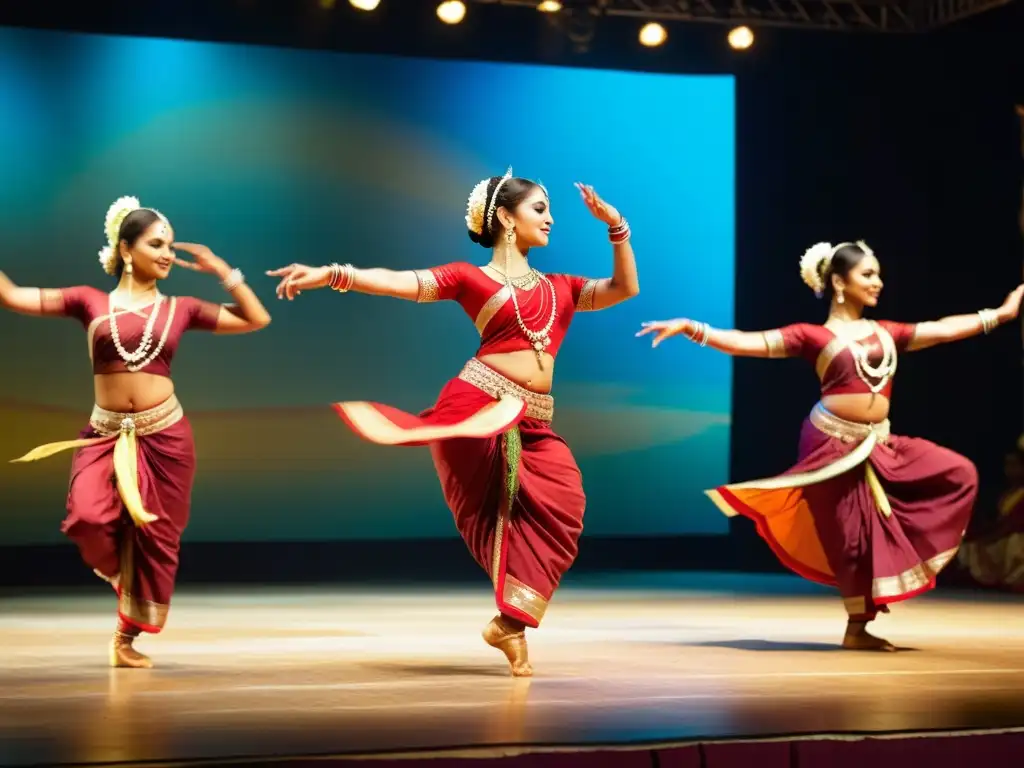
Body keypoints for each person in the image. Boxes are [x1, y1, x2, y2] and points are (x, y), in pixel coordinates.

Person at [266, 169, 639, 675]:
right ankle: (514, 627)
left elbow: (624, 288)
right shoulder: (471, 278)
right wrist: (334, 273)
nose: (551, 219)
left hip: (533, 420)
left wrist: (617, 227)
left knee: (565, 499)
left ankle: (508, 624)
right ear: (506, 218)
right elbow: (400, 283)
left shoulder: (562, 288)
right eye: (539, 209)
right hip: (479, 405)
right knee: (499, 511)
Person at [638, 240, 1023, 651]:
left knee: (958, 472)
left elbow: (943, 329)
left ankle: (880, 598)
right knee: (852, 536)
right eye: (868, 274)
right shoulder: (812, 337)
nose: (878, 281)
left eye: (877, 274)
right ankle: (858, 628)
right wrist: (692, 328)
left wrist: (999, 315)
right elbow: (745, 342)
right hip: (831, 442)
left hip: (878, 441)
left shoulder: (887, 332)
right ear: (840, 282)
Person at [1, 196, 271, 668]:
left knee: (154, 538)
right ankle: (128, 585)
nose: (168, 254)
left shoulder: (183, 307)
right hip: (103, 434)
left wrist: (223, 271)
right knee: (86, 518)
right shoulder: (88, 301)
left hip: (165, 437)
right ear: (126, 250)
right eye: (157, 244)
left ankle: (125, 640)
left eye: (170, 245)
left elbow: (256, 318)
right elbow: (12, 296)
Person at [958, 437, 1024, 592]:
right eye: (1008, 465)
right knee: (969, 545)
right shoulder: (1007, 495)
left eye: (1016, 466)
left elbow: (1012, 524)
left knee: (1014, 544)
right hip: (1003, 537)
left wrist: (987, 538)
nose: (1010, 470)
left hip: (1015, 539)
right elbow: (999, 522)